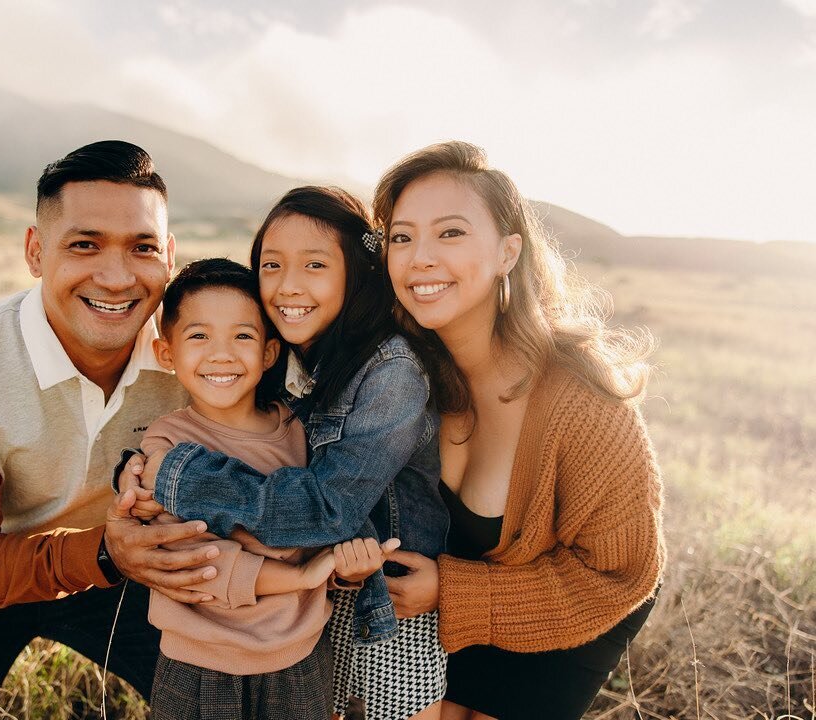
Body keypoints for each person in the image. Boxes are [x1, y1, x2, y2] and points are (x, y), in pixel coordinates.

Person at [0, 140, 222, 719]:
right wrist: (104, 553)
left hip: (128, 569)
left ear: (169, 255)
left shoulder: (204, 357)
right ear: (36, 251)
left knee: (224, 701)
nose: (116, 278)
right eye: (84, 245)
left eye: (142, 249)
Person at [124, 187, 450, 720]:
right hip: (313, 600)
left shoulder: (391, 372)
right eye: (271, 265)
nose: (288, 285)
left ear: (357, 273)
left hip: (386, 602)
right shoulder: (290, 357)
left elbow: (327, 509)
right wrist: (134, 470)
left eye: (316, 264)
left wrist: (179, 478)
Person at [375, 141, 665, 720]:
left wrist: (454, 593)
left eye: (450, 233)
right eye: (402, 237)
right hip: (454, 604)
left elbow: (622, 573)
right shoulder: (404, 375)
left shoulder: (581, 401)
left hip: (573, 611)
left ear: (509, 251)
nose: (419, 258)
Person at [136, 257, 397, 720]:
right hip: (198, 661)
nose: (221, 354)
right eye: (199, 336)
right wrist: (300, 577)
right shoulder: (166, 448)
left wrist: (346, 568)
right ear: (166, 353)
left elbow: (323, 528)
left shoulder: (300, 430)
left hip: (299, 659)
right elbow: (194, 562)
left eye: (242, 335)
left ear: (269, 353)